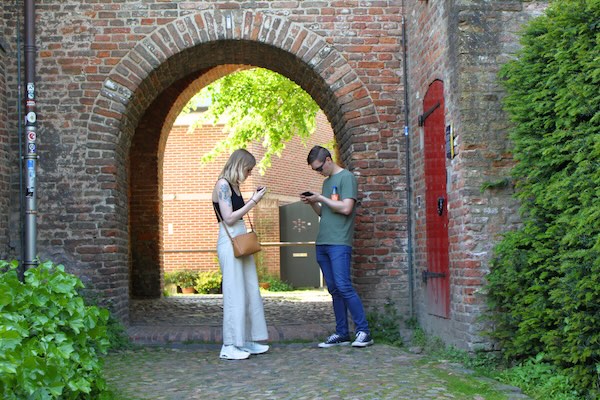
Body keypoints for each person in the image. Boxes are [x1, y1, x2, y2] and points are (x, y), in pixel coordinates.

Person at [301, 145, 374, 348]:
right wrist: (313, 203)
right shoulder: (326, 183)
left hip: (339, 242)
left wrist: (320, 198)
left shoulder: (346, 178)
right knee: (334, 289)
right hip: (323, 242)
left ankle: (364, 331)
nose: (318, 172)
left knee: (344, 286)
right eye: (314, 170)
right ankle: (342, 333)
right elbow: (325, 213)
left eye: (318, 168)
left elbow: (346, 208)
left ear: (328, 160)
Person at [212, 149, 269, 360]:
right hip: (230, 242)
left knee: (249, 290)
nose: (249, 173)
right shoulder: (223, 185)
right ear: (239, 165)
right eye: (248, 169)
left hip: (241, 240)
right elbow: (228, 218)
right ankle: (229, 345)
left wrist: (252, 199)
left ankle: (245, 340)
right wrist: (253, 201)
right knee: (234, 293)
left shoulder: (234, 186)